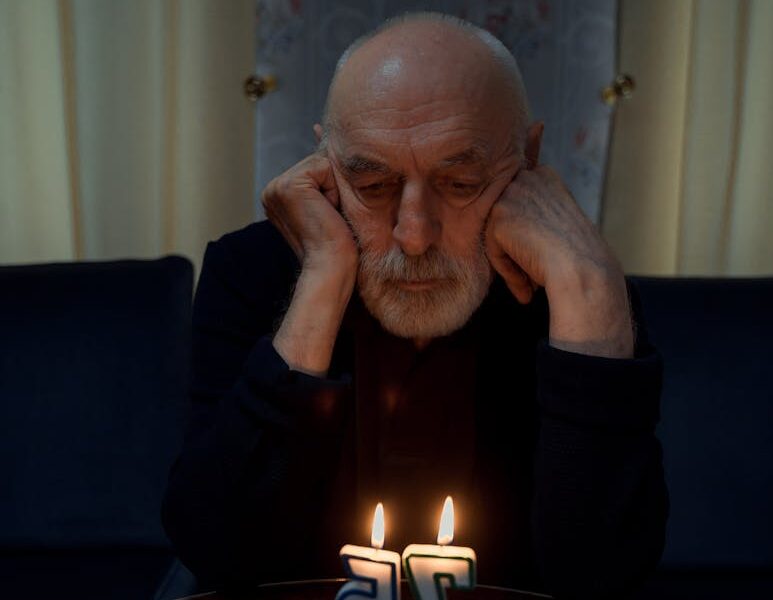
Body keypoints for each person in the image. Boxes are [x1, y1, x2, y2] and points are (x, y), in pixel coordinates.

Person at [162, 12, 668, 600]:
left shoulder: (583, 295)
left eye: (460, 183)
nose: (414, 234)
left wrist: (588, 293)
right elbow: (212, 549)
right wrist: (322, 279)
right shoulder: (253, 273)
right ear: (326, 167)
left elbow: (603, 579)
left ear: (527, 159)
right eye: (372, 186)